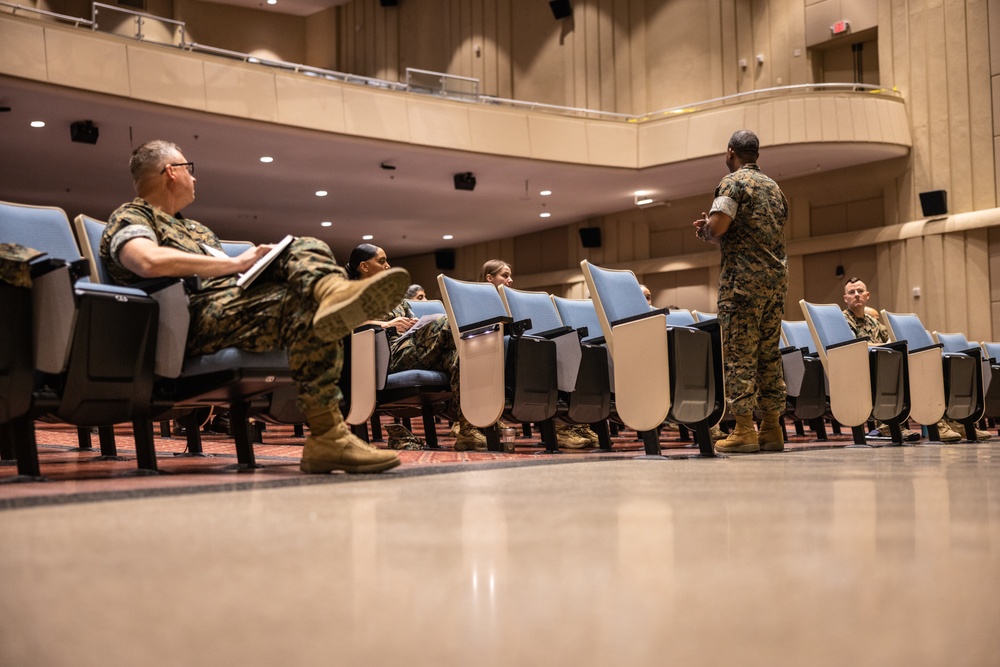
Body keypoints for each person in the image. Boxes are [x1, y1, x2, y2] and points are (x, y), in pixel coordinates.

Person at [100, 140, 410, 474]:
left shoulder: (196, 229)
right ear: (171, 173)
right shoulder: (132, 216)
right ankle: (329, 436)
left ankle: (331, 295)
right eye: (190, 170)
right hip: (189, 320)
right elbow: (145, 260)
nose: (195, 179)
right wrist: (235, 265)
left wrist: (257, 266)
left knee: (304, 250)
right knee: (308, 310)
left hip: (231, 307)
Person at [693, 129, 787, 454]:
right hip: (775, 283)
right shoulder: (775, 189)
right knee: (769, 354)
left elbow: (719, 226)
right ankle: (772, 428)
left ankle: (745, 429)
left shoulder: (732, 182)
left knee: (738, 353)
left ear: (730, 151)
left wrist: (705, 230)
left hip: (742, 284)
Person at [346, 244, 487, 452]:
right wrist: (386, 324)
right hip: (385, 356)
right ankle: (488, 410)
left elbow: (414, 322)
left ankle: (467, 429)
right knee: (450, 324)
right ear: (364, 266)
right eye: (382, 261)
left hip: (412, 347)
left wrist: (414, 324)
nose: (388, 266)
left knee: (458, 356)